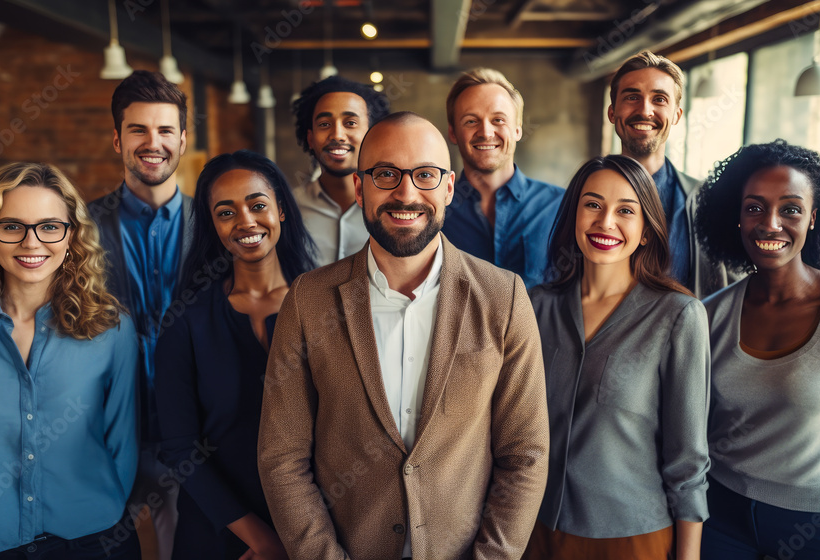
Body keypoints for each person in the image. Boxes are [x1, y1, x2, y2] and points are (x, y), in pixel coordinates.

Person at [258, 112, 549, 560]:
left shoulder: (504, 298)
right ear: (360, 187)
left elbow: (525, 454)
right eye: (386, 174)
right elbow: (283, 457)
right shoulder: (307, 301)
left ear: (449, 187)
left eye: (425, 175)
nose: (406, 193)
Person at [0, 162, 139, 559]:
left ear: (72, 236)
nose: (32, 243)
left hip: (93, 540)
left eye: (50, 226)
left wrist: (97, 507)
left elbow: (122, 440)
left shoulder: (111, 330)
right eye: (12, 226)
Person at [694, 140, 820, 560]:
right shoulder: (708, 316)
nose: (770, 224)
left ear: (813, 219)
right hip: (721, 515)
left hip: (818, 526)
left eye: (790, 208)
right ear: (735, 217)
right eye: (754, 207)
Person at [525, 155, 710, 560]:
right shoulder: (536, 307)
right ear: (573, 215)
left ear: (646, 230)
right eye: (592, 204)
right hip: (532, 532)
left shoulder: (678, 316)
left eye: (626, 210)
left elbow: (688, 461)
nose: (605, 222)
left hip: (631, 538)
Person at [154, 150, 317, 560]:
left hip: (316, 529)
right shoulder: (185, 320)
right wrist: (261, 540)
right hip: (217, 533)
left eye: (257, 205)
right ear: (212, 224)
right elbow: (179, 448)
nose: (245, 221)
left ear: (280, 209)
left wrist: (300, 536)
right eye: (226, 212)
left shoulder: (326, 305)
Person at [87, 69, 192, 559]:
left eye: (165, 130)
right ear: (117, 139)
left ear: (183, 139)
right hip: (103, 428)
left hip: (192, 429)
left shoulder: (215, 224)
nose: (154, 143)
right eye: (139, 130)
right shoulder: (78, 227)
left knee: (184, 543)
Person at [608, 50, 736, 297]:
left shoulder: (709, 202)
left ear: (676, 115)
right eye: (632, 97)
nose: (645, 110)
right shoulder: (582, 197)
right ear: (612, 112)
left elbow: (728, 292)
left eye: (659, 99)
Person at [442, 68, 564, 289]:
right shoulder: (435, 211)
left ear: (517, 129)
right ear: (453, 132)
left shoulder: (561, 205)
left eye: (498, 120)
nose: (486, 132)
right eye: (471, 121)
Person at [291, 75, 391, 266]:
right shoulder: (289, 209)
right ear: (310, 139)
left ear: (373, 134)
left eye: (350, 123)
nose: (337, 134)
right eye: (324, 124)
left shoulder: (393, 208)